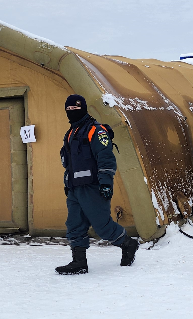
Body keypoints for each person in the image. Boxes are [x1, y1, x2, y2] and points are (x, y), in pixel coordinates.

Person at [56, 94, 139, 274]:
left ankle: (128, 244)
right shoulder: (70, 133)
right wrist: (67, 183)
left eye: (75, 109)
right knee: (74, 224)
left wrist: (106, 183)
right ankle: (79, 262)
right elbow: (69, 163)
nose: (71, 112)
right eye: (68, 110)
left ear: (83, 109)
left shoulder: (96, 130)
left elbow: (106, 158)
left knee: (102, 226)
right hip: (74, 189)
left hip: (93, 186)